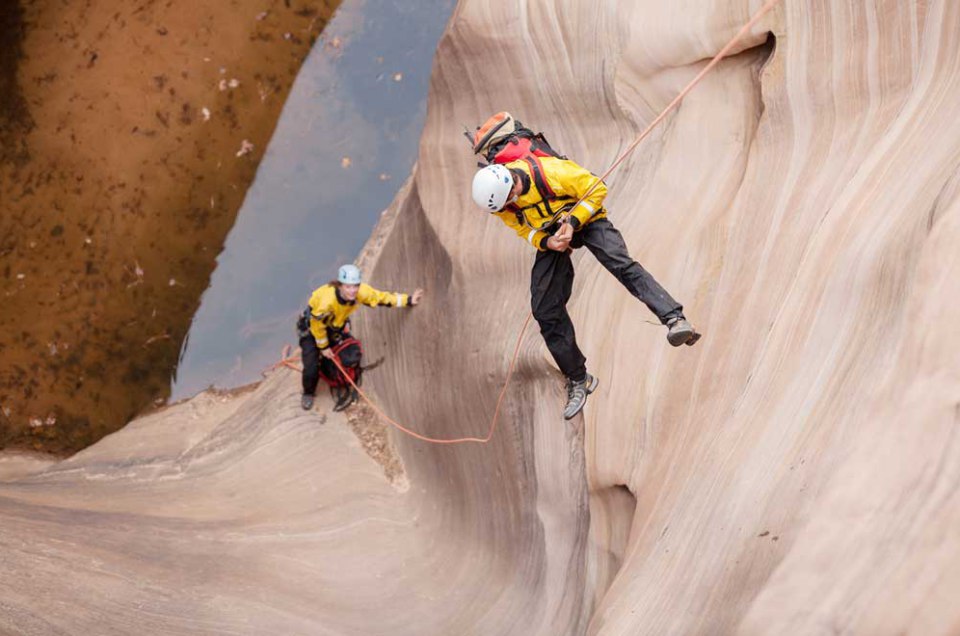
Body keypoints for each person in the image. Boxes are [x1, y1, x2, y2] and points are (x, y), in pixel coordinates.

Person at [471, 154, 700, 420]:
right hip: (553, 234)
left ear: (511, 185)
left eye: (511, 198)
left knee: (621, 264)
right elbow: (522, 229)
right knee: (544, 309)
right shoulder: (503, 204)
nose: (510, 205)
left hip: (587, 220)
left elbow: (597, 188)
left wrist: (573, 222)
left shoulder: (553, 173)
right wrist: (546, 243)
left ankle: (674, 318)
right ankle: (579, 378)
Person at [298, 264, 424, 410]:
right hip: (312, 329)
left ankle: (327, 364)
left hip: (334, 326)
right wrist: (323, 347)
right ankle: (308, 393)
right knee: (311, 367)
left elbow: (382, 298)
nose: (352, 291)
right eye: (348, 287)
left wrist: (408, 300)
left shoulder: (361, 293)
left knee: (346, 354)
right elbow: (317, 326)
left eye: (355, 286)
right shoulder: (327, 302)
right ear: (340, 286)